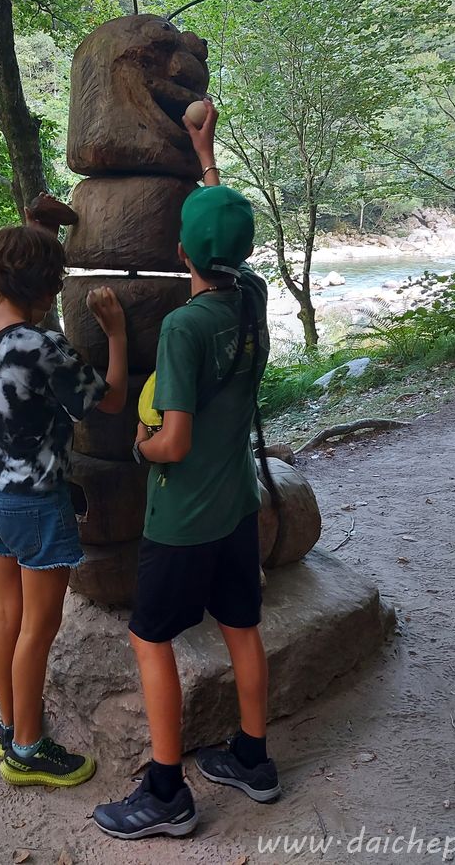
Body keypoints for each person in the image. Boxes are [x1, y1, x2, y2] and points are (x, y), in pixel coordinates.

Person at [92, 100, 280, 839]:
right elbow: (224, 232)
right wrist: (206, 152)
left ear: (181, 255)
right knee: (241, 626)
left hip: (182, 517)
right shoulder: (253, 298)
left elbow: (170, 442)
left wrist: (139, 445)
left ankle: (166, 792)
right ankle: (253, 759)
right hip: (237, 503)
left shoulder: (183, 327)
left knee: (151, 638)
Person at [0, 207, 128, 788]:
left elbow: (23, 286)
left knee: (6, 614)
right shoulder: (46, 345)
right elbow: (105, 402)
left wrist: (39, 235)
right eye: (56, 276)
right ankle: (29, 751)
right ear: (45, 286)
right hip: (36, 502)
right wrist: (114, 333)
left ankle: (11, 727)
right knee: (39, 625)